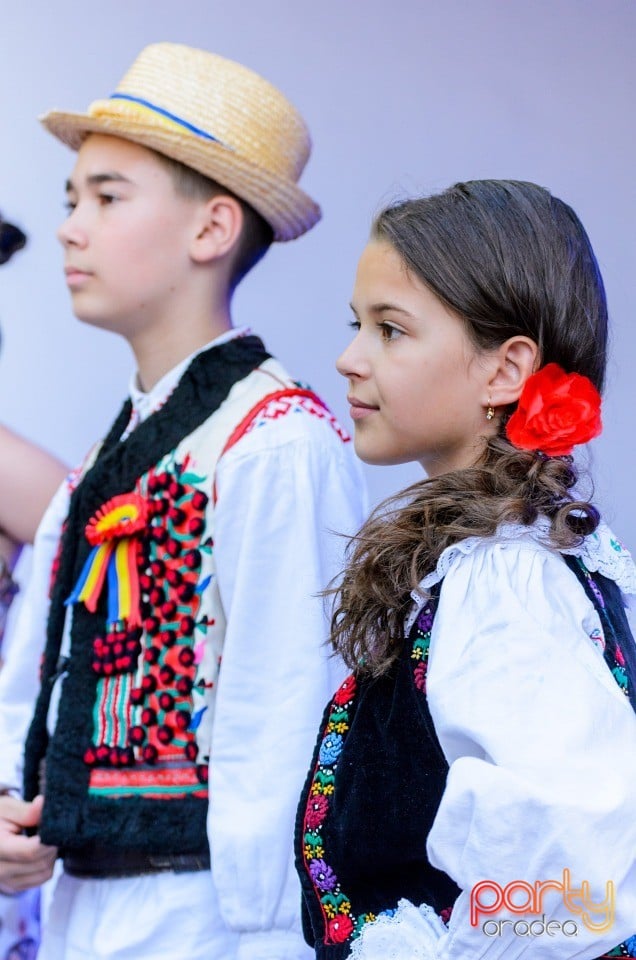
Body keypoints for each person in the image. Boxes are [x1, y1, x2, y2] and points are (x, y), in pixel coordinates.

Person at [0, 42, 366, 959]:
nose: (73, 229)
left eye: (108, 197)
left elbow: (286, 712)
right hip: (87, 908)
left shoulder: (274, 441)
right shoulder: (106, 459)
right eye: (70, 200)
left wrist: (269, 931)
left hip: (208, 919)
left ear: (210, 229)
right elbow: (33, 670)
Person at [294, 179, 636, 960]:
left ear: (505, 371)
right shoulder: (494, 566)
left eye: (391, 330)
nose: (349, 358)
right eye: (358, 325)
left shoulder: (505, 584)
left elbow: (579, 887)